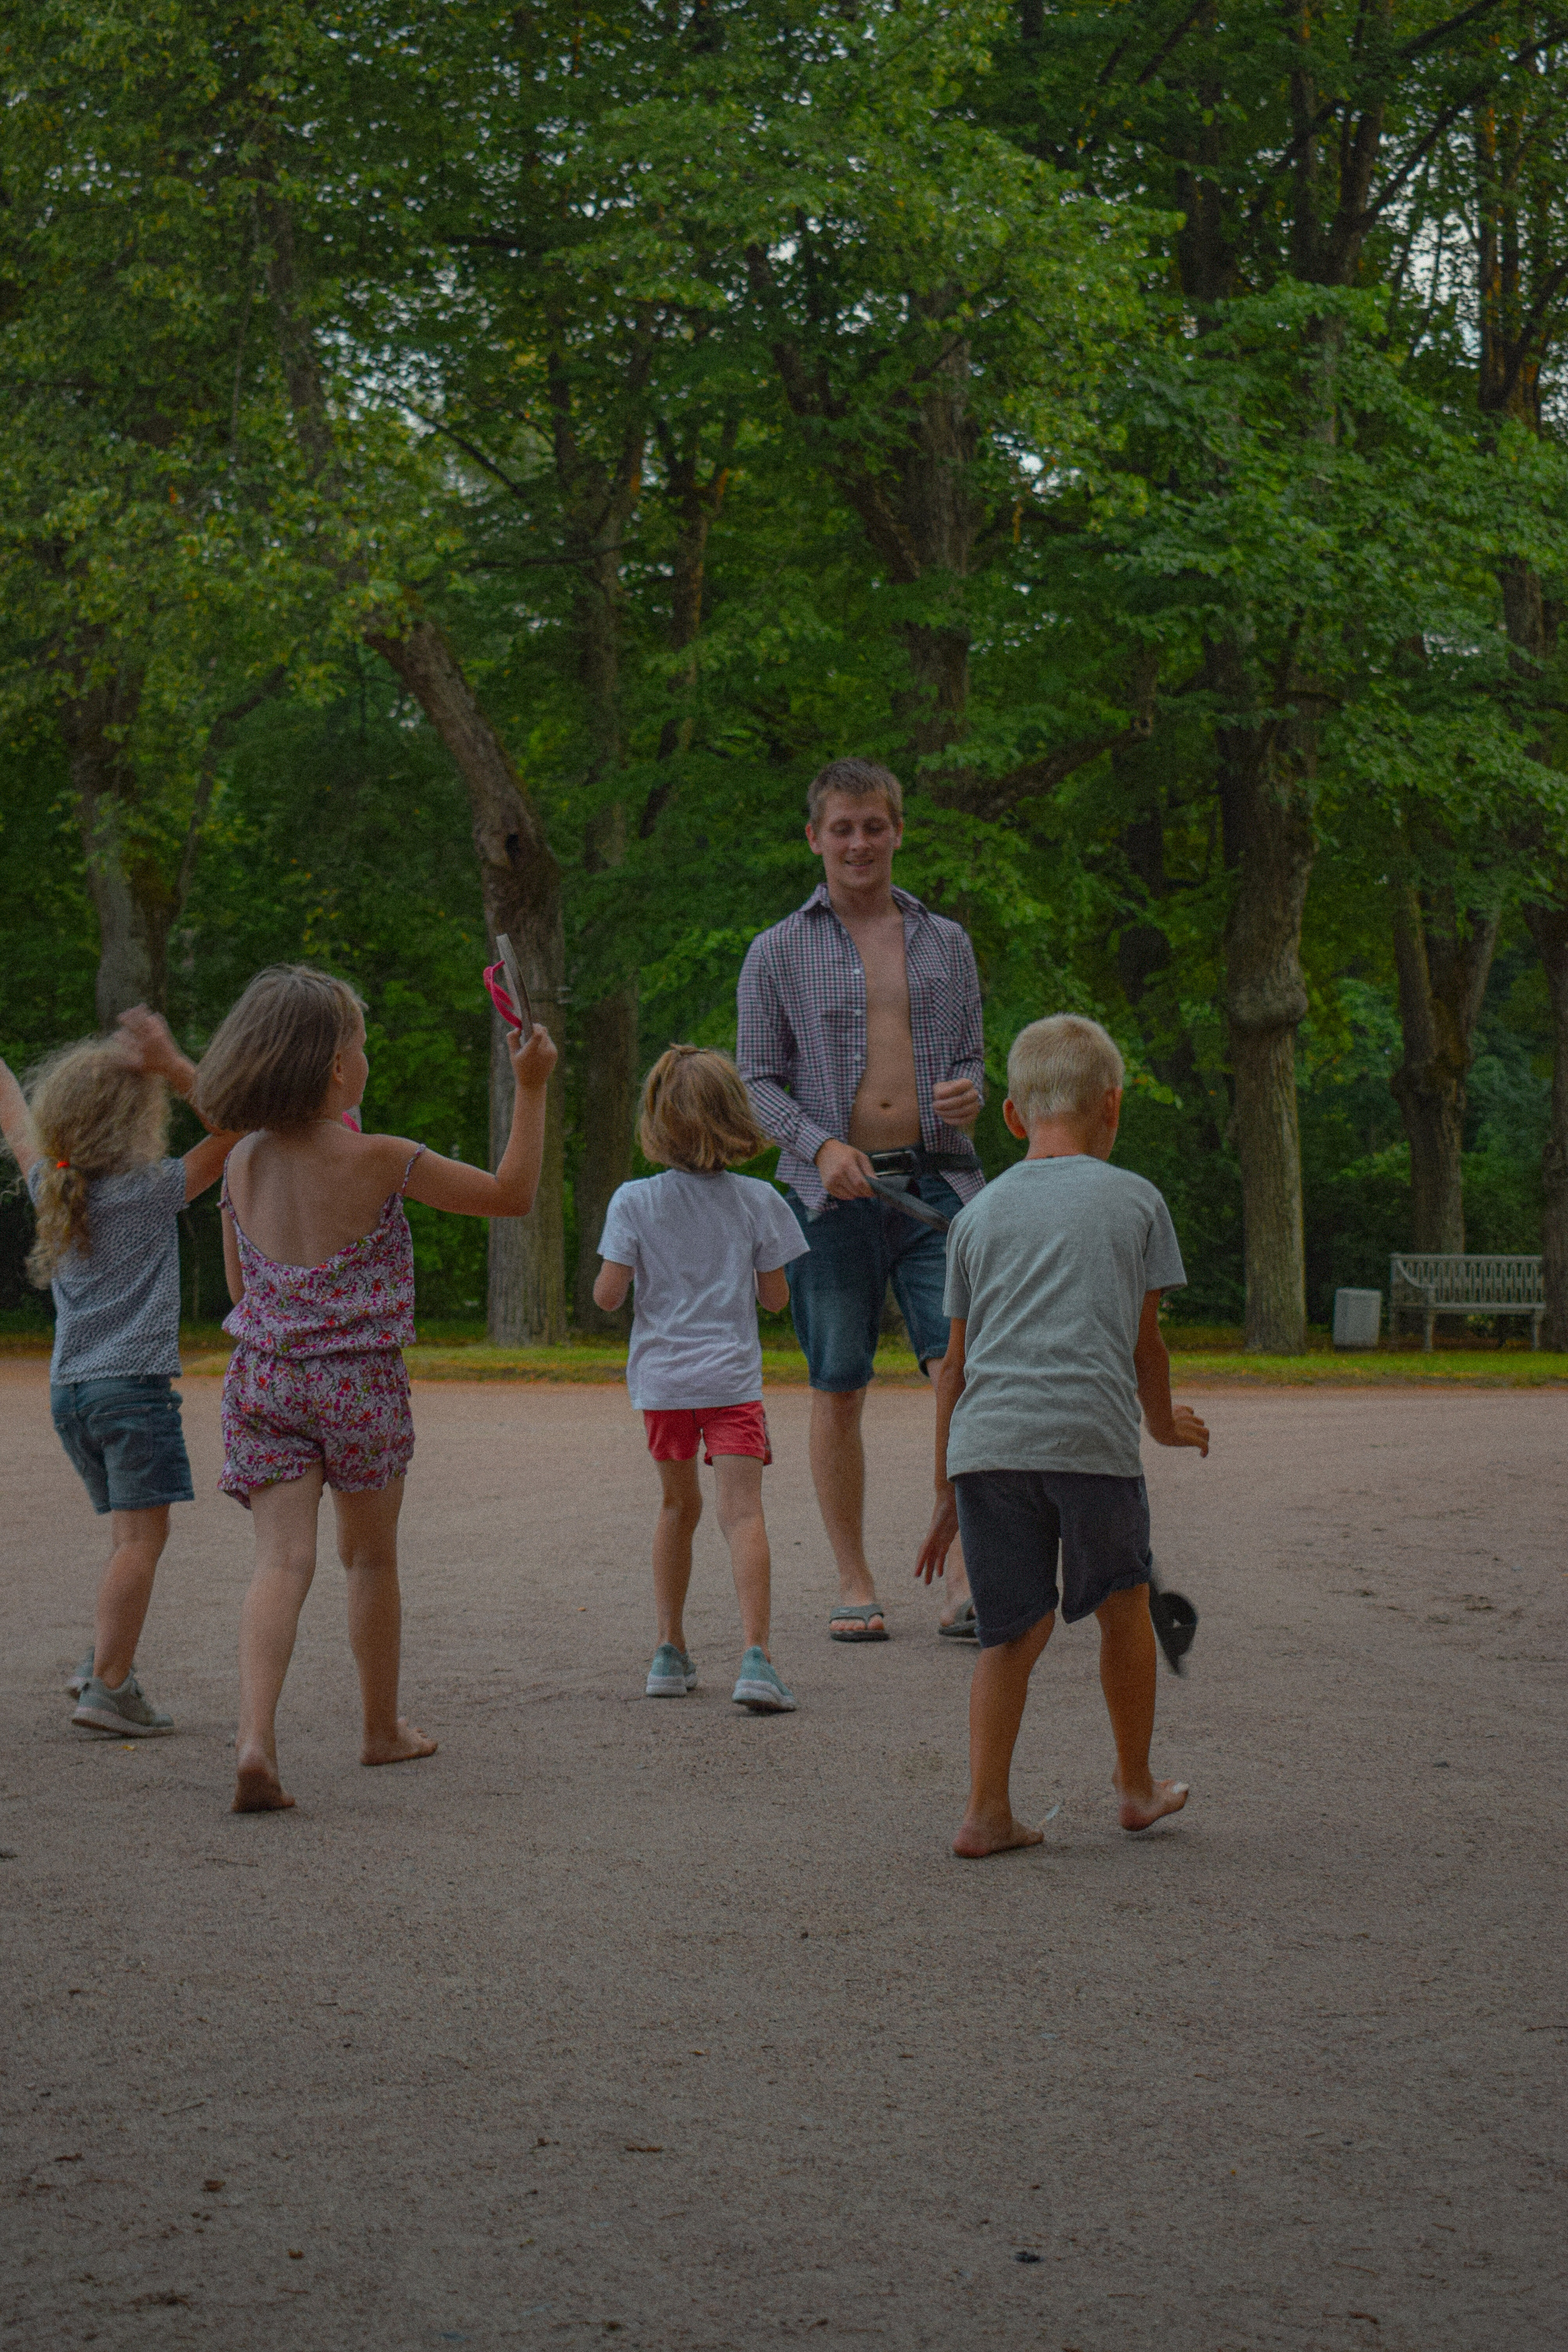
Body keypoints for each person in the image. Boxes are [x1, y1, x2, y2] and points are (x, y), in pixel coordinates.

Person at [194, 962, 557, 1813]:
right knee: (369, 1558)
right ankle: (380, 1728)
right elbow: (511, 1196)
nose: (366, 1056)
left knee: (280, 1561)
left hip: (265, 1380)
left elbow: (243, 1293)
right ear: (334, 1067)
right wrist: (532, 1087)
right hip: (359, 1385)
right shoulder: (383, 1158)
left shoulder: (239, 1161)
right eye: (360, 1044)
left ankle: (254, 1740)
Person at [914, 1013, 1210, 1858]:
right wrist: (1163, 1424)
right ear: (1112, 1106)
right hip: (1090, 1445)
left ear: (1012, 1116)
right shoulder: (1137, 1201)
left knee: (1010, 1632)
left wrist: (944, 1490)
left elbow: (953, 1368)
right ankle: (1135, 1788)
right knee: (1124, 1608)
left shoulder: (976, 1216)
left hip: (988, 1449)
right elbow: (1146, 1346)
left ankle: (985, 1813)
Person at [736, 756, 985, 1645]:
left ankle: (963, 1573)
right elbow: (754, 1082)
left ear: (897, 832)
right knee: (838, 1383)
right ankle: (854, 1580)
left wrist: (969, 1093)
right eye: (841, 828)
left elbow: (973, 1058)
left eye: (873, 826)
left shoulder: (947, 941)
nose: (858, 842)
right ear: (815, 837)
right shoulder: (775, 949)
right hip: (829, 1195)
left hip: (938, 1183)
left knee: (960, 1369)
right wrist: (820, 1145)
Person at [0, 1009, 240, 1738]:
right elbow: (239, 1128)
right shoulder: (153, 1189)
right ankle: (109, 1688)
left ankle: (100, 1659)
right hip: (132, 1393)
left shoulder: (51, 1183)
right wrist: (172, 1064)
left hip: (71, 1396)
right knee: (141, 1542)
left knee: (127, 1537)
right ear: (135, 1122)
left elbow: (13, 1118)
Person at [594, 1046, 810, 1713]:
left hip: (664, 1386)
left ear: (658, 1120)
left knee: (675, 1509)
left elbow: (607, 1297)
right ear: (734, 1116)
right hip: (732, 1384)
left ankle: (668, 1649)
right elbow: (774, 1300)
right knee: (742, 1514)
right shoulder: (758, 1200)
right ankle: (756, 1658)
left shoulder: (634, 1201)